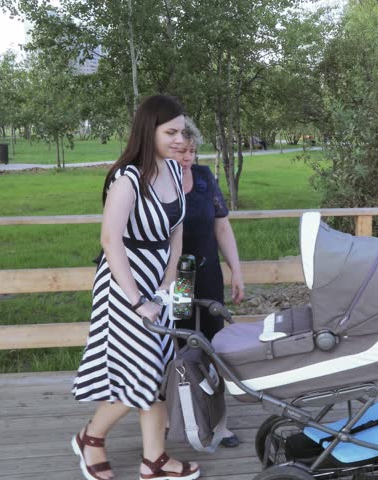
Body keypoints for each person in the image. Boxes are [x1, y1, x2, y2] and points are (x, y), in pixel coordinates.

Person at [71, 95, 200, 480]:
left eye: (183, 132)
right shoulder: (127, 178)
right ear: (150, 131)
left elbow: (177, 234)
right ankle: (90, 439)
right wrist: (139, 300)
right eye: (171, 132)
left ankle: (154, 461)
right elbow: (110, 240)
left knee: (159, 368)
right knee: (142, 370)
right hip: (125, 285)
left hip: (162, 281)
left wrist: (170, 284)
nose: (180, 139)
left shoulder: (175, 172)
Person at [173, 118, 245, 448]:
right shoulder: (156, 182)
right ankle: (171, 422)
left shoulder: (204, 179)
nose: (187, 157)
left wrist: (237, 270)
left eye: (192, 151)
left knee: (213, 347)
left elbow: (222, 228)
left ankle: (220, 424)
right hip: (175, 281)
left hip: (208, 275)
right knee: (175, 347)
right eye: (180, 151)